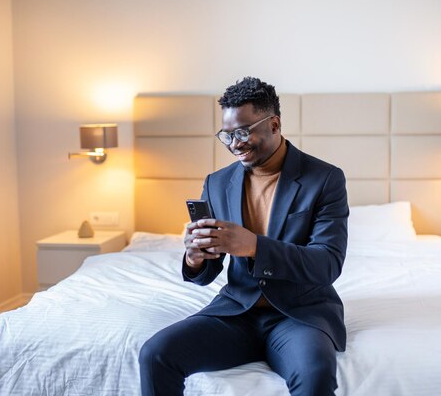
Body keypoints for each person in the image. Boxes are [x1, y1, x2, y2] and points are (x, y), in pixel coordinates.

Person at [139, 77, 349, 396]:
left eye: (243, 131)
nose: (234, 143)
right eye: (227, 134)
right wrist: (195, 258)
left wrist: (253, 246)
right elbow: (207, 272)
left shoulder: (324, 179)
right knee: (155, 354)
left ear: (274, 124)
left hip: (299, 315)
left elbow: (327, 264)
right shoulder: (217, 183)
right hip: (237, 313)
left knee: (315, 373)